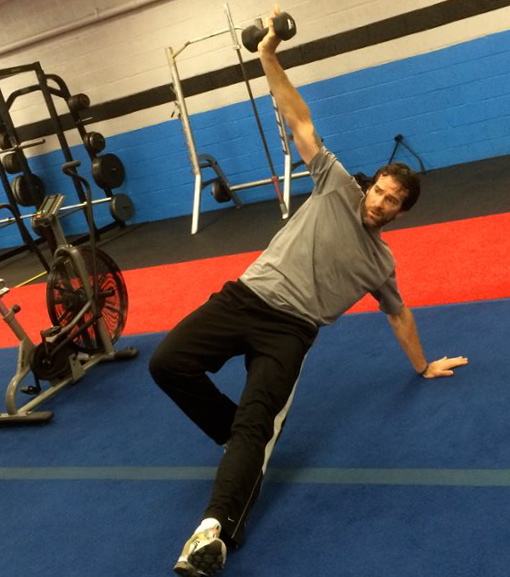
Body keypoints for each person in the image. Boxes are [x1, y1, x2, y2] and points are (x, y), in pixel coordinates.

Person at [149, 6, 468, 576]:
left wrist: (422, 367)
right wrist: (268, 55)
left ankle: (213, 531)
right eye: (380, 191)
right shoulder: (335, 184)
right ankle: (237, 440)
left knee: (257, 424)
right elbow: (300, 119)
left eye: (393, 202)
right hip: (243, 297)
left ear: (401, 213)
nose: (381, 202)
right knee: (167, 363)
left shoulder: (381, 262)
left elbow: (398, 314)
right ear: (370, 186)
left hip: (290, 333)